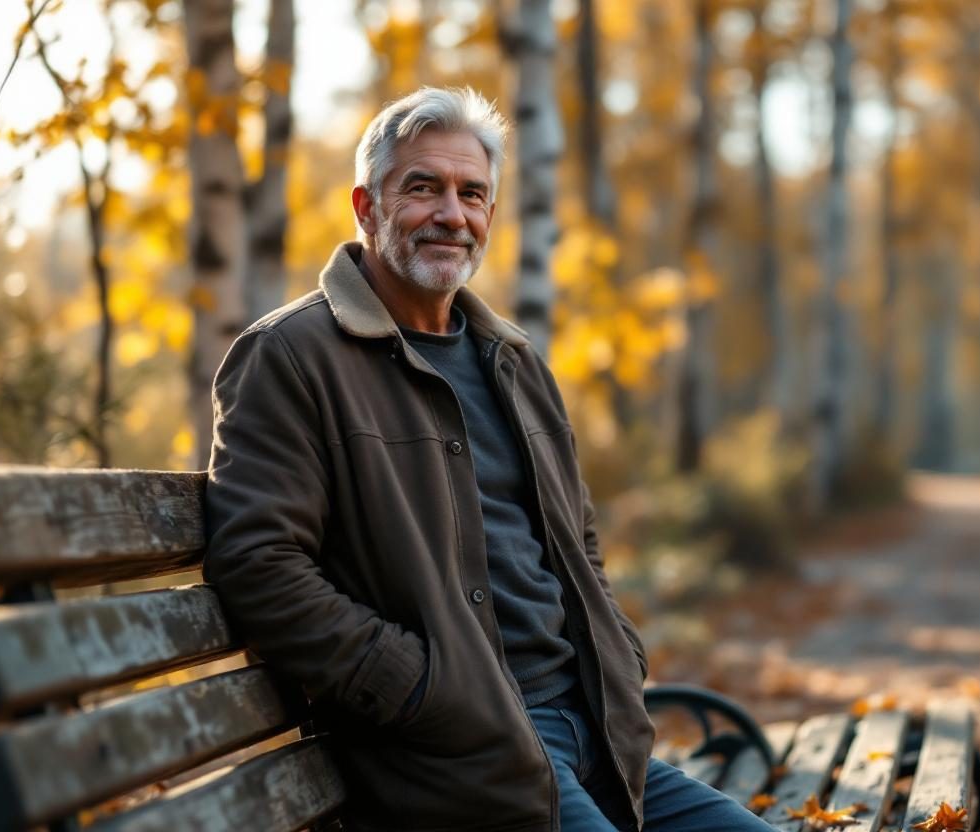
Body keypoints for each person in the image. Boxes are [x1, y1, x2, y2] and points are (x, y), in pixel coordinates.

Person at [204, 86, 775, 832]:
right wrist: (422, 689)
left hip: (598, 735)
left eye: (472, 194)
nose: (452, 214)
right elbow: (259, 561)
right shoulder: (291, 357)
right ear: (366, 207)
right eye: (422, 188)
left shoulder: (513, 358)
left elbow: (580, 537)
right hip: (463, 759)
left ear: (492, 218)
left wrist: (619, 657)